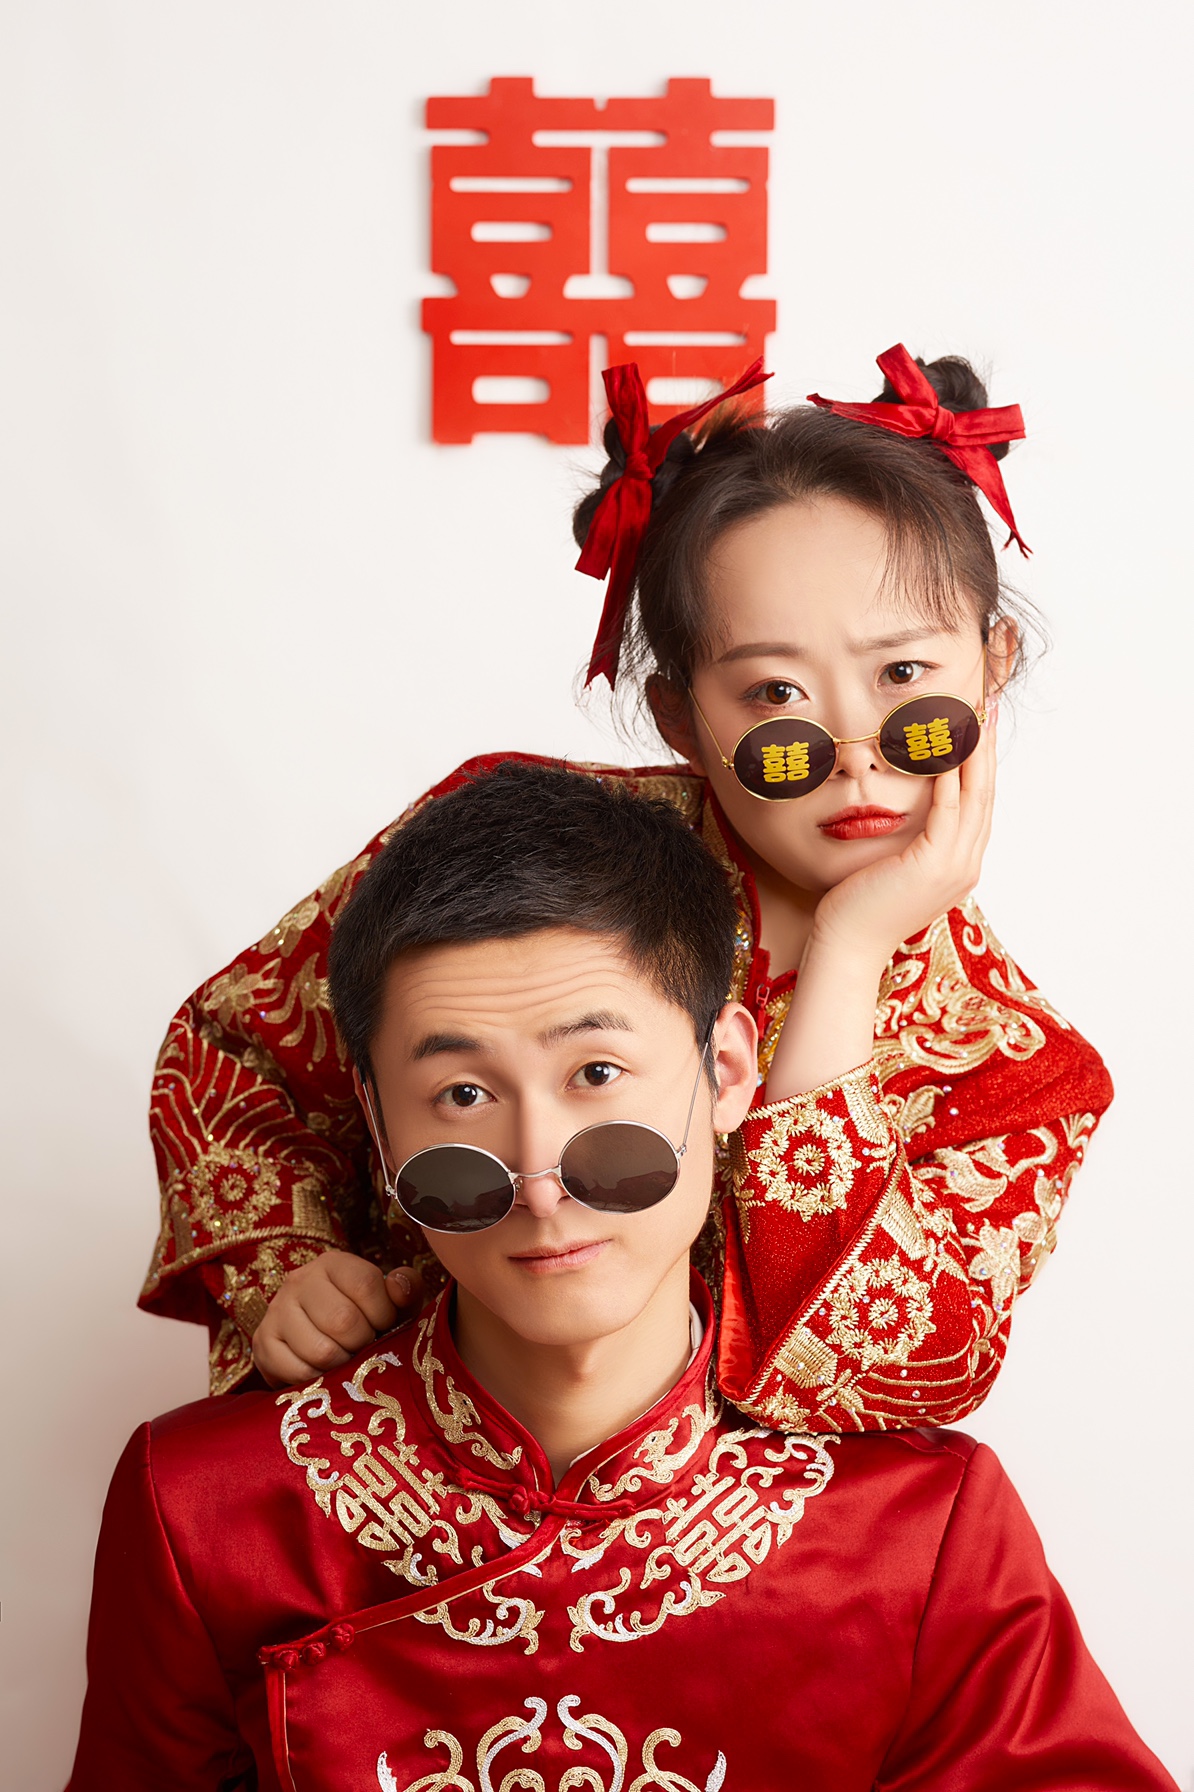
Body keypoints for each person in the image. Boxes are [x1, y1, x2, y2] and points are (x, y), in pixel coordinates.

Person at [70, 764, 1171, 1792]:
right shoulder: (205, 1507)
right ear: (376, 1118)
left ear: (727, 1071)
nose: (540, 1179)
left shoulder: (922, 1533)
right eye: (462, 1096)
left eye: (596, 1071)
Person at [142, 344, 1112, 1433]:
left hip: (737, 1529)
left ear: (993, 660)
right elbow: (238, 1049)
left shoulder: (1022, 1074)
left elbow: (873, 1374)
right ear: (679, 716)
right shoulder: (512, 847)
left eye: (903, 676)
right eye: (775, 694)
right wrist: (287, 1263)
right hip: (410, 1461)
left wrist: (847, 956)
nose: (853, 754)